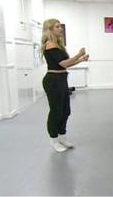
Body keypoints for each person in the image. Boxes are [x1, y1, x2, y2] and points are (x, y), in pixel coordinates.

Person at [41, 19, 89, 152]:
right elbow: (64, 63)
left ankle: (62, 137)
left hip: (61, 79)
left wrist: (80, 60)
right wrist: (78, 54)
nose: (60, 29)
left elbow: (66, 64)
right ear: (50, 29)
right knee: (56, 111)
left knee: (65, 110)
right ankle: (54, 139)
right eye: (57, 27)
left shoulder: (58, 45)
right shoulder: (50, 45)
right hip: (53, 81)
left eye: (60, 26)